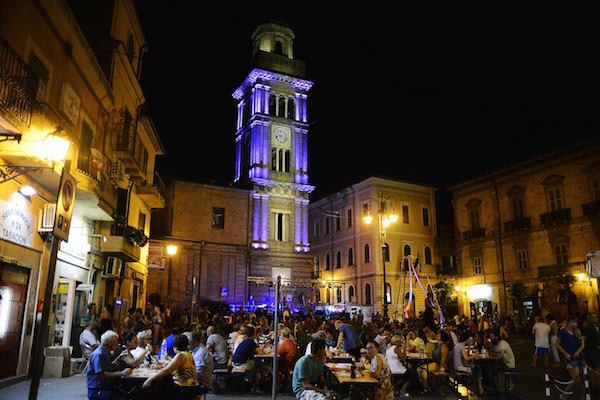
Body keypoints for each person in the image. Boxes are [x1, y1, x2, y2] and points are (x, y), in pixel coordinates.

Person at [142, 334, 204, 400]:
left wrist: (149, 380)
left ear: (174, 346)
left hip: (186, 388)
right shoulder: (187, 354)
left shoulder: (180, 355)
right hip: (192, 387)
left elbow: (166, 371)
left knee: (158, 387)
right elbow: (172, 366)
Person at [86, 330, 132, 400]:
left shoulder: (105, 352)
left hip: (104, 387)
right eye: (116, 341)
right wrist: (122, 373)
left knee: (126, 393)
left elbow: (108, 368)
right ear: (110, 342)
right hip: (98, 389)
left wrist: (118, 360)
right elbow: (102, 375)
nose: (118, 343)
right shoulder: (98, 354)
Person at [557, 315, 586, 399]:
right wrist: (565, 353)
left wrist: (578, 351)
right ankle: (565, 394)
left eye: (576, 322)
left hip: (580, 357)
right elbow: (557, 344)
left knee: (582, 378)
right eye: (574, 322)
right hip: (570, 358)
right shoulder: (563, 332)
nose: (576, 324)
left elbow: (582, 344)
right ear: (569, 322)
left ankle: (580, 395)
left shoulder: (577, 331)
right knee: (577, 379)